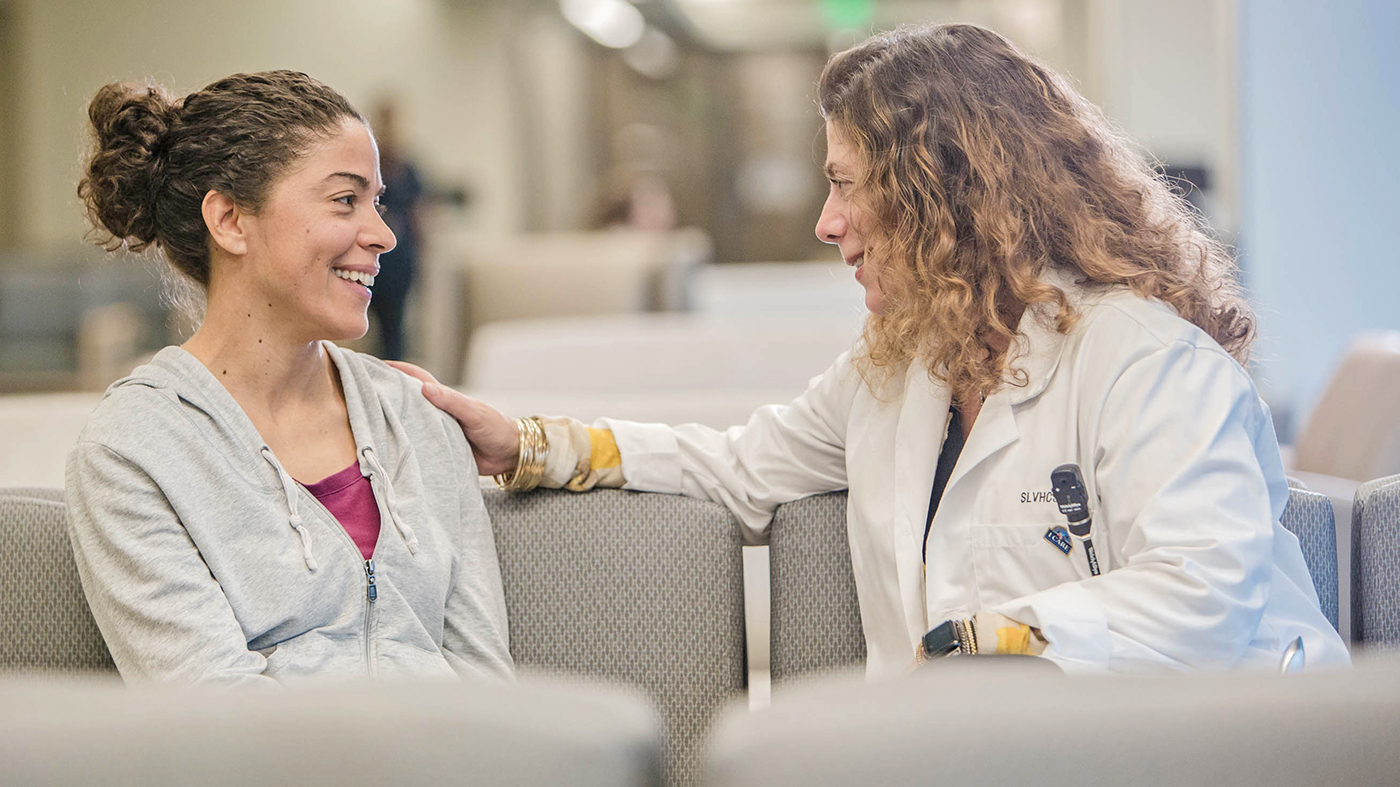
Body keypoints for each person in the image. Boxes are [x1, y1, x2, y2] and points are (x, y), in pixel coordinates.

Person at [395, 24, 1348, 676]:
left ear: (947, 193)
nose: (826, 222)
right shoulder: (900, 369)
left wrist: (995, 646)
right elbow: (736, 467)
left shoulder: (1143, 360)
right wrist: (529, 442)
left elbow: (1205, 594)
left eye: (850, 186)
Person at [67, 71, 513, 685]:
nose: (383, 235)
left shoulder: (416, 417)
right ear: (228, 220)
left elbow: (489, 684)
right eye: (344, 200)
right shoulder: (134, 451)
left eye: (377, 201)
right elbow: (220, 723)